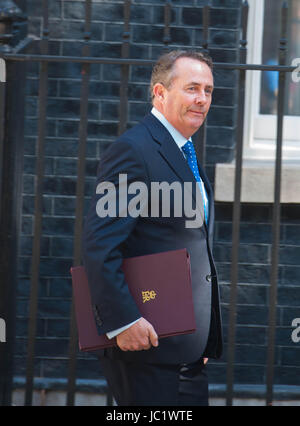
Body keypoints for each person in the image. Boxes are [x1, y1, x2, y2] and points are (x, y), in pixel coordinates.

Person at [82, 50, 223, 406]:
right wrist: (123, 321)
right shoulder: (133, 150)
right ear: (160, 93)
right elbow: (101, 245)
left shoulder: (185, 153)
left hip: (184, 346)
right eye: (192, 88)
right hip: (145, 345)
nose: (202, 99)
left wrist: (202, 338)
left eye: (208, 90)